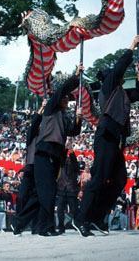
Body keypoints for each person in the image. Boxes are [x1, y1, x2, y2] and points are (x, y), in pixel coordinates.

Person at [74, 36, 139, 237]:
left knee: (119, 179)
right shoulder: (108, 88)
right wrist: (132, 46)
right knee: (98, 179)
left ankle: (97, 217)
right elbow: (120, 67)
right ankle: (81, 218)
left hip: (116, 140)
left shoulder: (121, 93)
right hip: (106, 136)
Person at [34, 65, 83, 237]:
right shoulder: (51, 108)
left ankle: (44, 226)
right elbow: (62, 88)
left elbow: (73, 132)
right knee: (46, 191)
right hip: (45, 152)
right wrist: (75, 76)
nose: (67, 101)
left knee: (50, 192)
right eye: (66, 98)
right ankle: (45, 227)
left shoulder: (63, 116)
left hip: (56, 155)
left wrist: (78, 118)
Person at [13, 99, 47, 236]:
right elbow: (33, 125)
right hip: (30, 168)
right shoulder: (31, 137)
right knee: (21, 197)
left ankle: (35, 226)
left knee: (37, 199)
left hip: (41, 170)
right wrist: (41, 109)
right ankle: (19, 223)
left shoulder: (46, 139)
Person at [56, 148, 80, 234]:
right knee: (60, 210)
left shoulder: (74, 167)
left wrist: (71, 151)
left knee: (74, 210)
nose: (68, 160)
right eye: (67, 158)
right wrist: (65, 149)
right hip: (62, 190)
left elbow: (74, 160)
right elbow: (61, 157)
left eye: (69, 159)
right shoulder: (61, 166)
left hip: (71, 190)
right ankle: (61, 227)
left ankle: (77, 225)